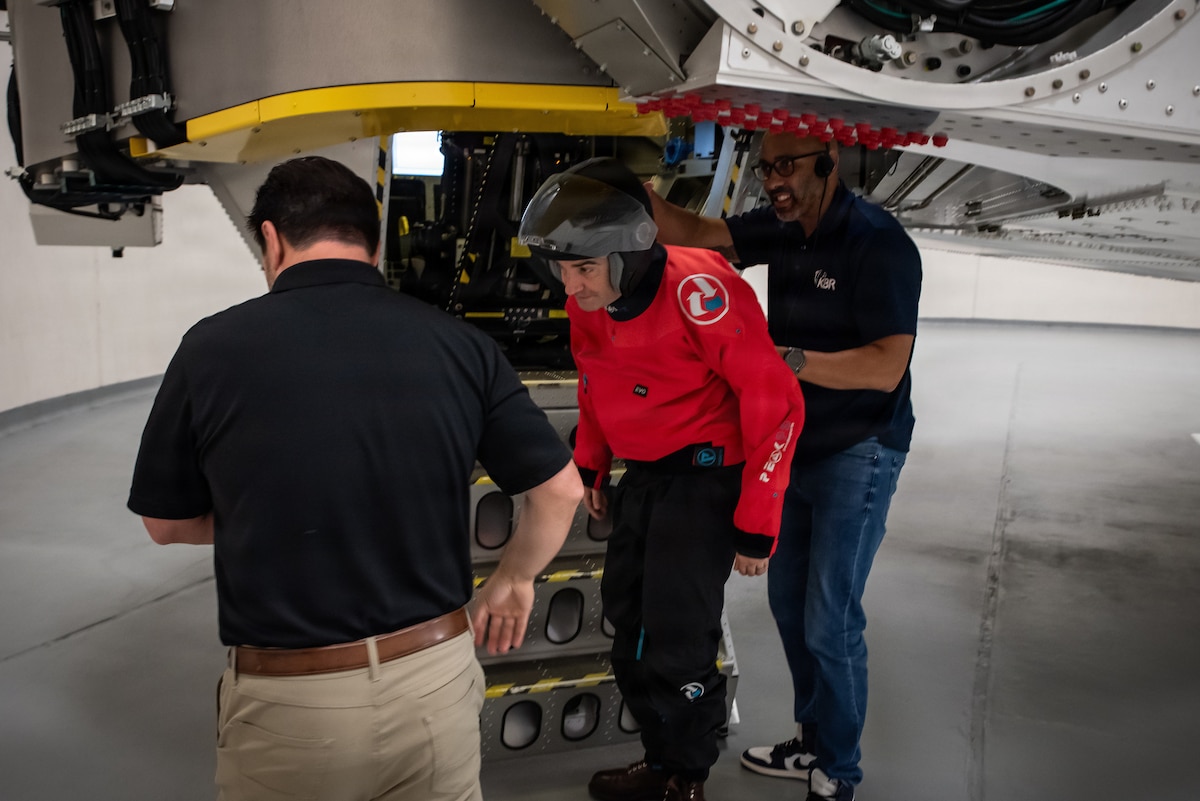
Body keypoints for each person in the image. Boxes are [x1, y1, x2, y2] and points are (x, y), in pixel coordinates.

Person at [127, 155, 584, 801]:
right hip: (436, 682)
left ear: (270, 238)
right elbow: (560, 488)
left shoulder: (211, 348)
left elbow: (166, 522)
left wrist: (271, 519)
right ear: (372, 245)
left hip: (294, 705)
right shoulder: (460, 345)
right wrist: (512, 580)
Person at [645, 131, 922, 801]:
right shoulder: (782, 225)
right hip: (797, 443)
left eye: (789, 167)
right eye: (768, 168)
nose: (775, 181)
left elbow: (887, 366)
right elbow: (706, 234)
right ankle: (811, 738)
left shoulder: (878, 243)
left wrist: (786, 360)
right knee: (789, 604)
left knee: (831, 615)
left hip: (863, 448)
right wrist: (636, 198)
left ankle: (841, 767)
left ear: (830, 163)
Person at [518, 157, 806, 801]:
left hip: (704, 482)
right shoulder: (593, 295)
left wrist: (758, 523)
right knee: (629, 625)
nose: (571, 287)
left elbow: (776, 403)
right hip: (644, 480)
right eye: (561, 269)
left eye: (584, 269)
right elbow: (594, 382)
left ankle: (688, 776)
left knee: (678, 639)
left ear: (630, 251)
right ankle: (661, 760)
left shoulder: (699, 291)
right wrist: (591, 461)